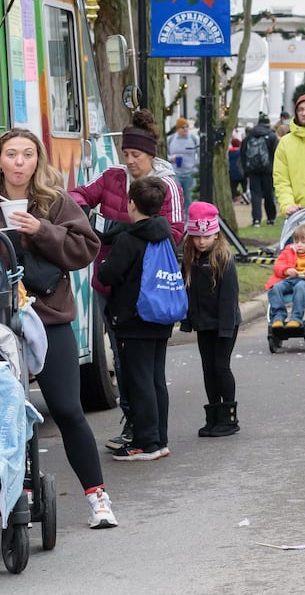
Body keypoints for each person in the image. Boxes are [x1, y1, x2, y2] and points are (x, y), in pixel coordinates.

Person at [0, 128, 115, 527]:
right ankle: (9, 488)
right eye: (11, 155)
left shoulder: (54, 201)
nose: (19, 162)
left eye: (27, 154)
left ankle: (98, 499)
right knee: (0, 410)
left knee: (67, 409)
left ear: (38, 160)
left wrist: (40, 230)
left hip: (48, 315)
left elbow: (85, 248)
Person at [72, 109, 185, 448]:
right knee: (123, 361)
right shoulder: (111, 177)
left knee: (143, 367)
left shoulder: (166, 186)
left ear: (151, 154)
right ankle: (135, 422)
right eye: (126, 154)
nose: (130, 161)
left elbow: (176, 232)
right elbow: (78, 196)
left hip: (146, 287)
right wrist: (86, 219)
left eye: (136, 155)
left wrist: (126, 233)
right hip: (110, 283)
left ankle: (145, 431)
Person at [98, 178, 177, 461]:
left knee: (139, 380)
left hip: (134, 317)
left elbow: (107, 275)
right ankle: (160, 437)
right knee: (156, 379)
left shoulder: (128, 240)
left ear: (131, 203)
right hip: (160, 315)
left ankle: (146, 442)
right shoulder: (164, 234)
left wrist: (105, 265)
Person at [180, 202, 241, 438]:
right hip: (204, 323)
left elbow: (229, 297)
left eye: (206, 236)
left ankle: (229, 415)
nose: (201, 241)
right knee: (208, 368)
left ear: (216, 233)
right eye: (196, 236)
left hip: (224, 324)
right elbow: (188, 292)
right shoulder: (190, 259)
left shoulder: (224, 259)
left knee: (221, 366)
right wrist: (188, 321)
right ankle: (214, 415)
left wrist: (225, 328)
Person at [265, 224, 305, 329]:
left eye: (303, 242)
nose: (299, 245)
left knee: (300, 287)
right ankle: (278, 316)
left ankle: (296, 317)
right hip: (289, 279)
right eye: (296, 242)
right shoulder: (288, 252)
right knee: (275, 289)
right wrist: (287, 270)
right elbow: (278, 266)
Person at [241, 113, 280, 226]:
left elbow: (243, 153)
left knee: (255, 195)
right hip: (268, 170)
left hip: (253, 170)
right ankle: (271, 218)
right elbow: (276, 153)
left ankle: (256, 219)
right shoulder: (271, 135)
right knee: (269, 194)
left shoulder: (249, 136)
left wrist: (246, 170)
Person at [167, 116, 199, 205]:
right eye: (182, 127)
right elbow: (164, 155)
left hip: (190, 173)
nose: (185, 129)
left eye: (186, 127)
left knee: (189, 198)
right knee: (177, 197)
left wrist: (195, 167)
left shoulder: (194, 139)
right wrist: (171, 158)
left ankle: (188, 217)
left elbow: (199, 154)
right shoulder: (170, 139)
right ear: (178, 129)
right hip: (175, 173)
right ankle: (180, 217)